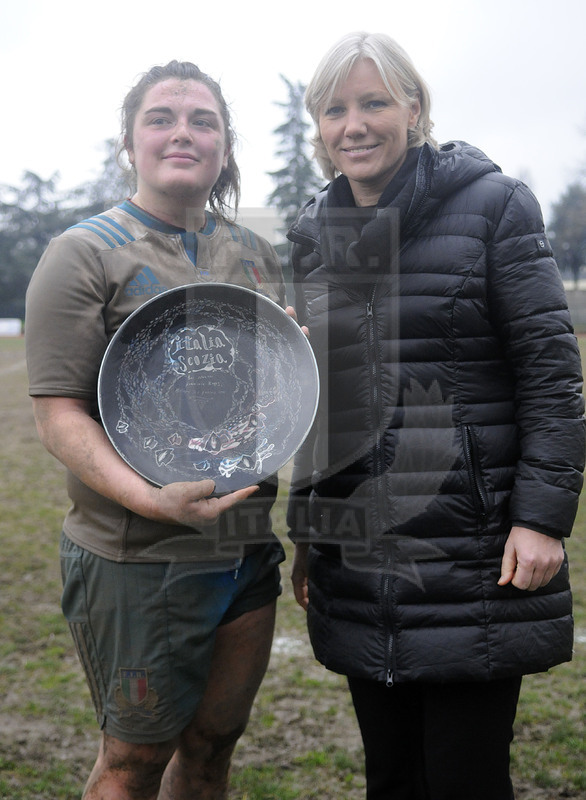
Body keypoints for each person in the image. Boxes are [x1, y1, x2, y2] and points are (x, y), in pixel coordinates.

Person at [286, 31, 585, 800]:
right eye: (335, 109)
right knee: (390, 778)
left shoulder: (495, 206)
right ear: (318, 124)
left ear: (414, 108)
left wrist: (542, 519)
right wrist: (308, 533)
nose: (354, 124)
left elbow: (551, 377)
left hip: (472, 553)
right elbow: (319, 403)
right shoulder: (312, 233)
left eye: (374, 102)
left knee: (464, 780)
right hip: (357, 555)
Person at [25, 61, 287, 800]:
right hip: (138, 556)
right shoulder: (82, 253)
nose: (182, 133)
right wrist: (152, 500)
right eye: (161, 119)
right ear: (129, 142)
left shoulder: (256, 254)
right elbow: (58, 415)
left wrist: (291, 367)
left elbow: (267, 395)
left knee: (211, 749)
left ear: (225, 145)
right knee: (133, 763)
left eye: (203, 120)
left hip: (246, 548)